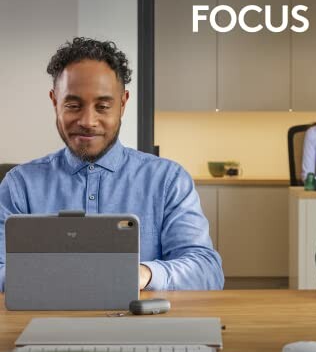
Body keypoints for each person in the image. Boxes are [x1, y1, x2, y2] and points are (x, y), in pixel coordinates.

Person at [0, 37, 224, 292]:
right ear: (54, 102)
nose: (88, 121)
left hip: (142, 329)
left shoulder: (169, 180)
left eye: (103, 106)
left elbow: (207, 271)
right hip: (43, 327)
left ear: (123, 103)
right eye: (73, 105)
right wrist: (70, 277)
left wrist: (144, 274)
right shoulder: (19, 185)